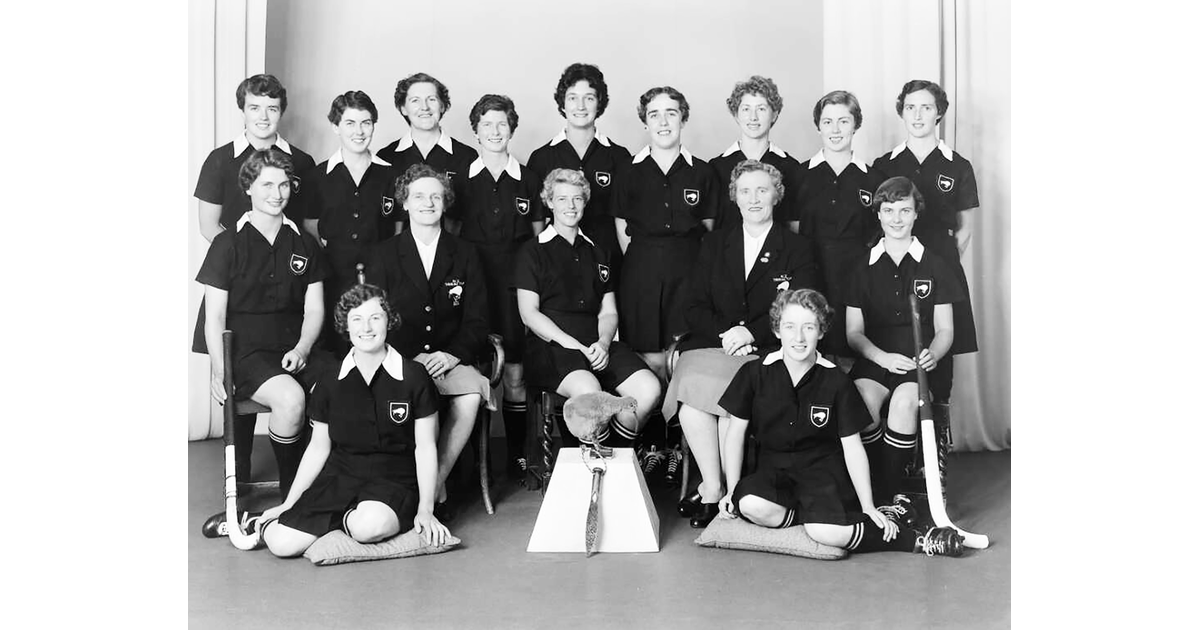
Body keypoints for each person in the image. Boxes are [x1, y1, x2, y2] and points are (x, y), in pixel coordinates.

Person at [717, 289, 964, 557]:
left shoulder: (836, 381)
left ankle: (915, 539)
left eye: (808, 327)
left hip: (822, 473)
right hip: (772, 470)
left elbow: (852, 447)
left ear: (821, 332)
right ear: (777, 331)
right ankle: (813, 519)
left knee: (827, 533)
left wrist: (868, 506)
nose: (798, 337)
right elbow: (735, 433)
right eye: (790, 327)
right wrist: (731, 490)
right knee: (750, 504)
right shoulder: (754, 373)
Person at [666, 160, 818, 527]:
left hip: (766, 349)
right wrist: (728, 333)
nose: (754, 199)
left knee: (728, 409)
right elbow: (693, 305)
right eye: (745, 191)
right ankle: (714, 489)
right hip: (713, 345)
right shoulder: (715, 243)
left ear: (776, 196)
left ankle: (727, 496)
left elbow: (802, 308)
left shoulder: (797, 247)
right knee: (691, 410)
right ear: (734, 197)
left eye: (762, 190)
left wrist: (751, 333)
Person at [258, 284, 451, 557]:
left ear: (389, 321)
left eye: (375, 318)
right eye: (356, 319)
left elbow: (426, 447)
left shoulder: (414, 376)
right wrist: (289, 503)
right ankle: (259, 523)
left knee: (369, 526)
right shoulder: (329, 379)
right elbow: (318, 448)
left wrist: (426, 510)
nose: (367, 328)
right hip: (341, 477)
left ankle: (341, 525)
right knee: (280, 544)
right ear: (345, 327)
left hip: (394, 480)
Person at [193, 148, 332, 500]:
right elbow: (215, 318)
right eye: (267, 184)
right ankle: (294, 495)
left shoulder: (303, 242)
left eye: (284, 185)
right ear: (248, 188)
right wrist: (220, 370)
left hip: (295, 347)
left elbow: (314, 311)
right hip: (247, 353)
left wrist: (302, 349)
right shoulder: (227, 244)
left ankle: (330, 481)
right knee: (290, 399)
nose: (277, 193)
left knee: (345, 383)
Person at [367, 164, 493, 521]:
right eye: (419, 196)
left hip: (449, 358)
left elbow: (478, 319)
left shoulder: (466, 253)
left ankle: (435, 481)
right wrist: (407, 360)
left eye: (435, 196)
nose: (428, 203)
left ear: (446, 203)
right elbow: (376, 318)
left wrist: (453, 355)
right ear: (404, 203)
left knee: (470, 394)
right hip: (401, 360)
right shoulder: (383, 255)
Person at [514, 168, 661, 448]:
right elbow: (529, 314)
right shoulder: (532, 251)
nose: (570, 206)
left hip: (597, 345)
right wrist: (576, 347)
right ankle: (596, 464)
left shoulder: (598, 251)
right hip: (552, 347)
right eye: (562, 199)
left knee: (649, 389)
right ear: (549, 201)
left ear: (585, 202)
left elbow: (609, 312)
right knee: (590, 395)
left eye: (577, 199)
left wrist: (604, 344)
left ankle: (614, 457)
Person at [844, 176, 964, 502]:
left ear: (916, 214)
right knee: (861, 404)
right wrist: (881, 358)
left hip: (917, 360)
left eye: (904, 210)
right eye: (889, 210)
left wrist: (934, 354)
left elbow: (946, 330)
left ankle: (888, 493)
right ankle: (873, 484)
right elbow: (853, 333)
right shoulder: (861, 267)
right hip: (875, 358)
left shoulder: (935, 264)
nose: (896, 218)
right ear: (878, 214)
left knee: (904, 403)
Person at [872, 79, 979, 401]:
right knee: (898, 342)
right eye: (910, 107)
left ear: (939, 114)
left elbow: (965, 228)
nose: (917, 115)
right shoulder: (884, 165)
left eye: (926, 107)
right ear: (902, 114)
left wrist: (940, 265)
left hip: (940, 264)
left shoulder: (957, 166)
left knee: (940, 347)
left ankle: (940, 432)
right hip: (896, 263)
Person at [459, 94, 544, 478]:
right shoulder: (460, 180)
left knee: (514, 373)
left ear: (512, 128)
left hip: (515, 289)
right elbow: (449, 237)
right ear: (475, 130)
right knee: (468, 367)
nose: (495, 131)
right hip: (472, 288)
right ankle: (468, 462)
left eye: (502, 124)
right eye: (487, 124)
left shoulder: (528, 179)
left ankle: (517, 457)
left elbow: (540, 241)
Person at [304, 90, 401, 351]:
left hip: (382, 277)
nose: (359, 131)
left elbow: (399, 227)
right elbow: (310, 225)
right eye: (350, 123)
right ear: (335, 126)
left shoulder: (391, 174)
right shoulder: (318, 176)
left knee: (381, 342)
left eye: (366, 123)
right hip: (333, 275)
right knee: (336, 346)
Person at [795, 90, 884, 369]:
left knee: (850, 360)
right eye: (828, 121)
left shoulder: (873, 178)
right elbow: (790, 232)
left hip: (856, 282)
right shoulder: (799, 175)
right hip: (809, 277)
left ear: (856, 124)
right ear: (818, 125)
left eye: (843, 121)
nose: (835, 129)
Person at [527, 63, 632, 274]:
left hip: (608, 262)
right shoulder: (542, 158)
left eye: (589, 98)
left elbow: (626, 220)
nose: (581, 106)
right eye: (573, 97)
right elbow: (536, 222)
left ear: (599, 103)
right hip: (556, 264)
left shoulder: (619, 157)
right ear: (563, 104)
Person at [195, 74, 316, 241]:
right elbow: (208, 226)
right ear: (242, 111)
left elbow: (308, 224)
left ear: (281, 112)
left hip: (287, 261)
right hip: (237, 263)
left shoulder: (303, 162)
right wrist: (239, 256)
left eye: (272, 109)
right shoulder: (219, 160)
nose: (263, 117)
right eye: (254, 108)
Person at [375, 72, 478, 229]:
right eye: (415, 100)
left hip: (452, 251)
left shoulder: (467, 157)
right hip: (397, 251)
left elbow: (471, 217)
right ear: (403, 108)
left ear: (442, 105)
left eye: (432, 99)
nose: (424, 107)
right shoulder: (386, 157)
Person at [708, 75, 805, 232]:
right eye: (746, 109)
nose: (753, 117)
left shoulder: (791, 167)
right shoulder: (716, 167)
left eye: (761, 109)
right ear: (736, 115)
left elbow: (794, 227)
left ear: (774, 114)